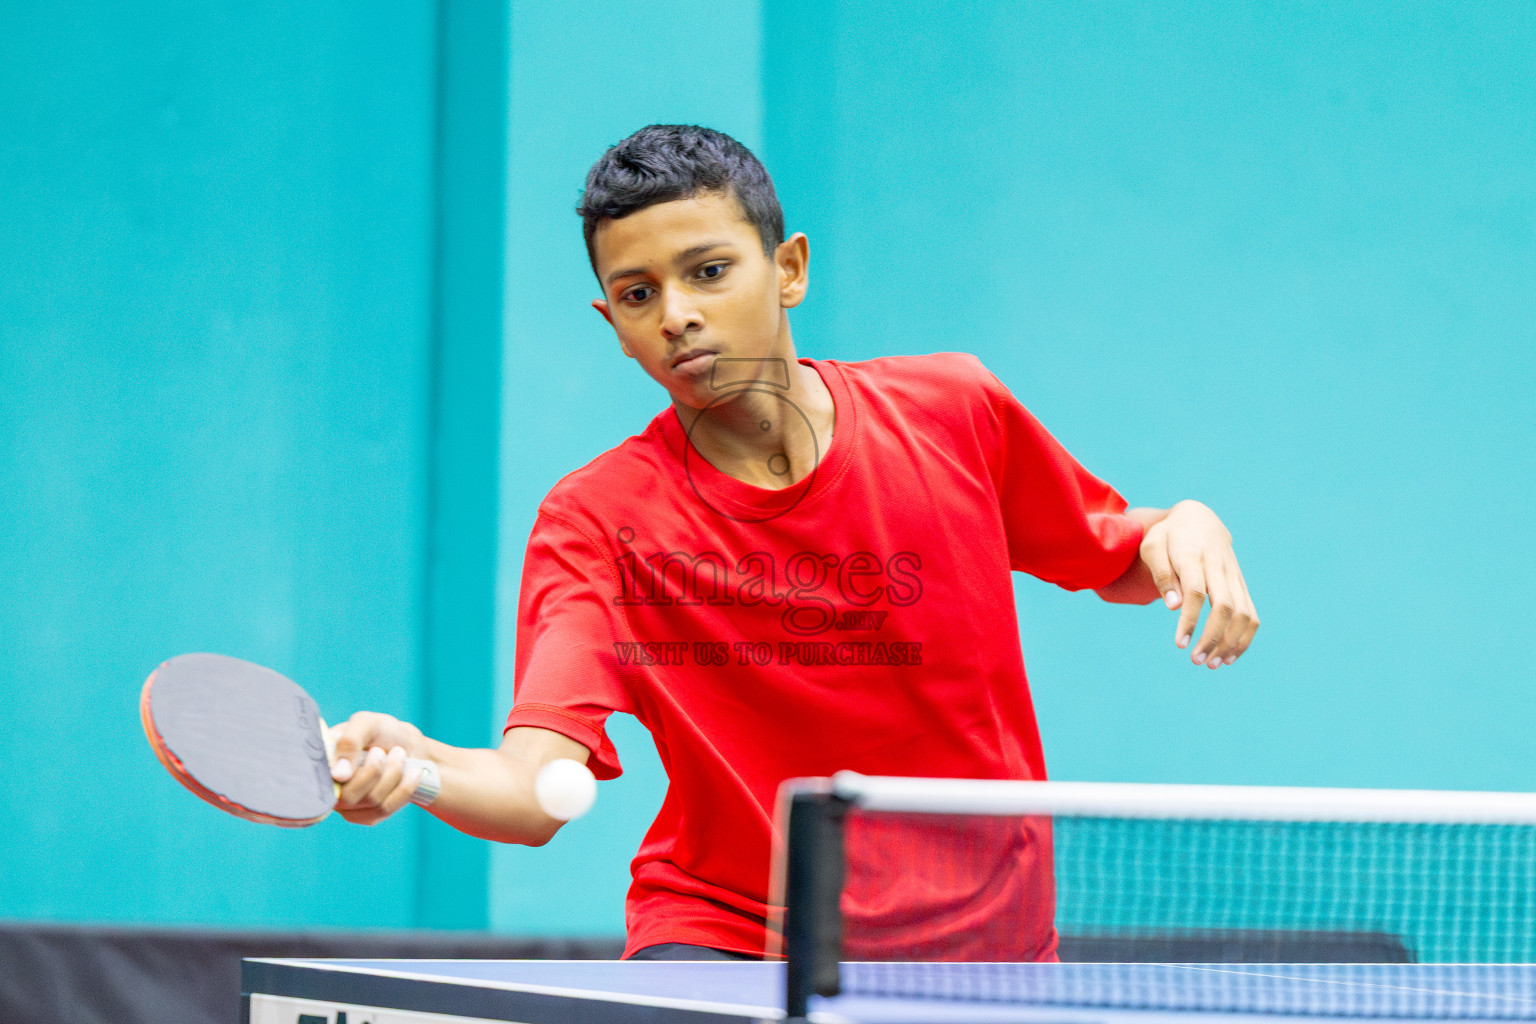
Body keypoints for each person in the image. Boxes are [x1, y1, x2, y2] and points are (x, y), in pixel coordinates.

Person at [329, 124, 1259, 961]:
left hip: (985, 942)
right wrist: (418, 767)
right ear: (612, 327)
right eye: (637, 293)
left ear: (789, 269)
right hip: (733, 938)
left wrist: (1186, 522)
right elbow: (537, 793)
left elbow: (1115, 554)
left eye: (708, 271)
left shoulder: (954, 411)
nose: (677, 316)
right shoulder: (595, 521)